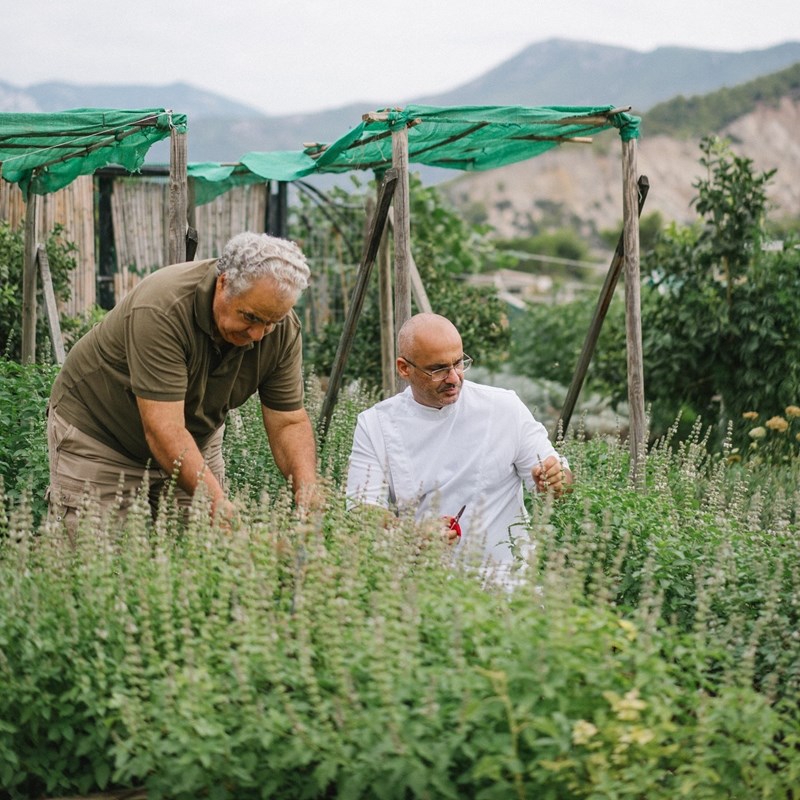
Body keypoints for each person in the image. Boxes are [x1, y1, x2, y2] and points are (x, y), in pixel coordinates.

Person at [47, 231, 319, 536]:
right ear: (223, 283)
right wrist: (215, 501)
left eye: (271, 322)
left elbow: (288, 422)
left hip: (195, 436)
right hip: (103, 436)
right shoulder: (163, 308)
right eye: (251, 317)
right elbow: (164, 430)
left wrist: (306, 491)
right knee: (96, 560)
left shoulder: (279, 328)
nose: (257, 335)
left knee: (203, 553)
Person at [346, 313, 572, 584]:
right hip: (424, 586)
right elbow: (362, 509)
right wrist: (411, 534)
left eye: (458, 363)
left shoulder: (504, 408)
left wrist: (555, 479)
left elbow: (559, 483)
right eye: (438, 369)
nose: (454, 378)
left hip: (509, 584)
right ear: (404, 368)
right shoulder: (376, 425)